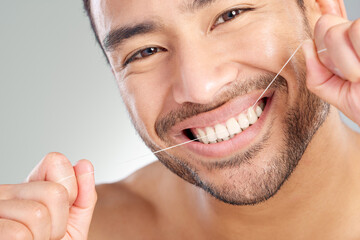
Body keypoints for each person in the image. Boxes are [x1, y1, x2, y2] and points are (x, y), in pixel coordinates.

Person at [1, 0, 359, 239]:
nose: (200, 87)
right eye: (145, 51)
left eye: (230, 15)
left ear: (321, 6)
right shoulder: (81, 232)